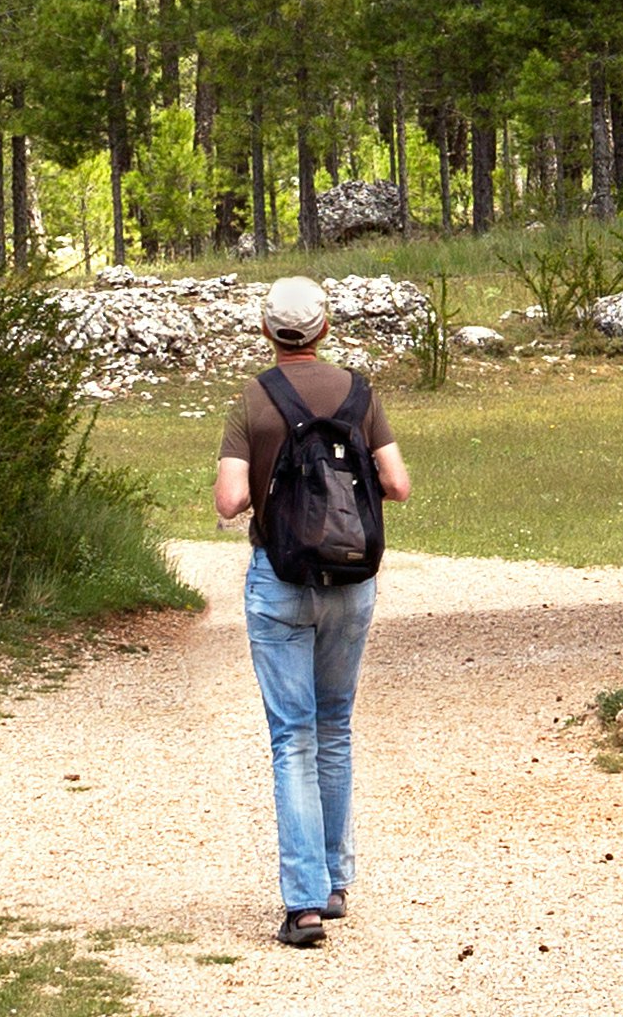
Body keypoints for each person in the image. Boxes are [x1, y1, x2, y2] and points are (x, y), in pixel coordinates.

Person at [213, 271, 409, 947]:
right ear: (325, 328)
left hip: (281, 580)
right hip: (352, 584)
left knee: (291, 736)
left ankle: (301, 907)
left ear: (268, 330)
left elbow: (228, 501)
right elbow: (398, 485)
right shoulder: (360, 393)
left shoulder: (254, 401)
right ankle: (333, 882)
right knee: (335, 728)